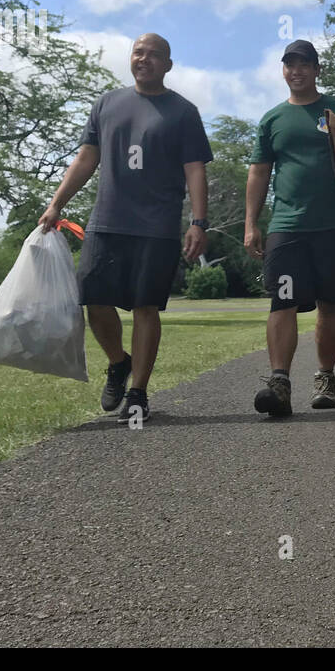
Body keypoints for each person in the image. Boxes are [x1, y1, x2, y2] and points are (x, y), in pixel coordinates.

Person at [40, 33, 212, 423]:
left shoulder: (183, 112)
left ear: (168, 65)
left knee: (144, 307)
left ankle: (137, 392)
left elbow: (195, 170)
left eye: (154, 55)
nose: (144, 59)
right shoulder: (107, 103)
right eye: (139, 52)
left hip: (158, 227)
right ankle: (118, 363)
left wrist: (198, 222)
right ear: (130, 59)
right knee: (94, 301)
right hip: (107, 222)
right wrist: (56, 204)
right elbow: (86, 158)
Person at [244, 39, 335, 417]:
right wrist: (250, 223)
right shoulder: (272, 119)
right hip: (287, 226)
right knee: (283, 300)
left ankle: (325, 376)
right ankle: (280, 382)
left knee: (329, 303)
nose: (297, 70)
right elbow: (259, 172)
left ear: (316, 69)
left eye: (304, 64)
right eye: (290, 64)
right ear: (284, 70)